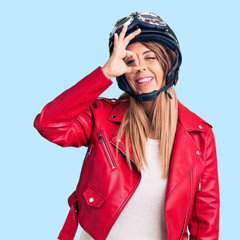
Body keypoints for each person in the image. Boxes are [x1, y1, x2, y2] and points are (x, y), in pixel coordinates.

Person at [34, 12, 219, 240]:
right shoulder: (101, 117)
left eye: (150, 57)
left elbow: (205, 220)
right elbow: (49, 124)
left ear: (168, 62)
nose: (139, 67)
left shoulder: (200, 135)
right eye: (129, 61)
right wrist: (104, 73)